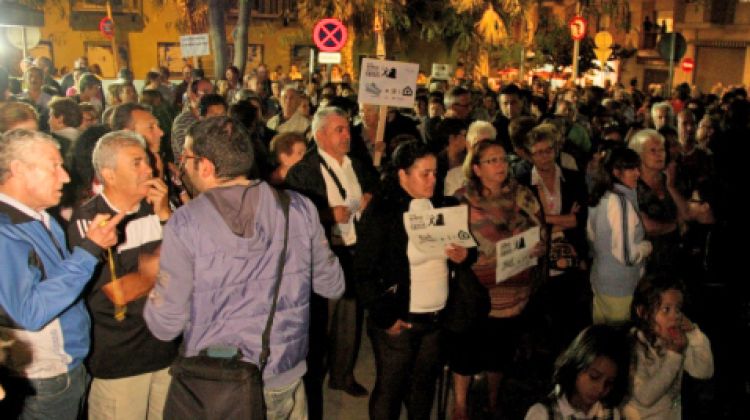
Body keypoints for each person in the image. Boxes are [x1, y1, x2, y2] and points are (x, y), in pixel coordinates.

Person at [144, 116, 345, 419]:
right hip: (283, 371)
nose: (182, 165)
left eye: (185, 157)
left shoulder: (185, 222)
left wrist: (152, 287)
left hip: (218, 381)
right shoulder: (299, 208)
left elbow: (165, 325)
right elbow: (333, 285)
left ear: (207, 166)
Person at [0, 128, 122, 419]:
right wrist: (89, 250)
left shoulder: (41, 217)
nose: (65, 177)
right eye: (54, 166)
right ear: (18, 170)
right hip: (43, 378)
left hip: (65, 367)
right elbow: (28, 312)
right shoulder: (6, 232)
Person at [354, 138, 470, 420]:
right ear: (402, 174)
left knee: (422, 388)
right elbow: (362, 271)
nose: (433, 179)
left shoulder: (443, 204)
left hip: (435, 318)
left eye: (435, 172)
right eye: (424, 173)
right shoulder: (383, 212)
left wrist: (464, 255)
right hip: (400, 319)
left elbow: (469, 247)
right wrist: (384, 316)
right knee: (390, 389)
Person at [67, 130, 174, 419]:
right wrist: (156, 271)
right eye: (136, 163)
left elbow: (192, 262)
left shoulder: (158, 208)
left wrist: (165, 214)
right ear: (109, 175)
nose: (149, 169)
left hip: (166, 352)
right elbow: (112, 293)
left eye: (147, 161)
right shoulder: (90, 220)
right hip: (122, 360)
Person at [285, 107, 377, 418]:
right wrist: (328, 216)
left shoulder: (357, 164)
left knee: (350, 318)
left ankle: (342, 374)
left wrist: (369, 198)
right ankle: (314, 376)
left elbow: (376, 186)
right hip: (324, 254)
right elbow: (293, 216)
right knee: (320, 321)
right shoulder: (304, 170)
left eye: (347, 129)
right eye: (339, 130)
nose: (346, 135)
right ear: (320, 134)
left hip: (354, 249)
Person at [451, 140, 546, 420]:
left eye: (502, 159)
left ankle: (493, 400)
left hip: (513, 290)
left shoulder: (523, 195)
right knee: (466, 352)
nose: (500, 165)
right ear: (476, 168)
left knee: (500, 352)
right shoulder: (462, 199)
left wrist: (539, 246)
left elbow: (540, 230)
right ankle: (460, 406)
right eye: (491, 161)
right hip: (476, 292)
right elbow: (455, 240)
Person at [623, 274, 714, 419]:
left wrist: (694, 334)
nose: (675, 317)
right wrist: (674, 356)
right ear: (643, 312)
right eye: (666, 310)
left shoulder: (674, 341)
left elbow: (704, 371)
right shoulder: (634, 345)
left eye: (677, 309)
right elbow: (645, 397)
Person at [587, 147, 651, 326]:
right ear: (616, 172)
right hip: (619, 287)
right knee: (619, 343)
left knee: (602, 340)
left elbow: (591, 238)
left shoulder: (601, 195)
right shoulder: (620, 202)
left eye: (638, 168)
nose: (638, 173)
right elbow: (627, 256)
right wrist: (646, 247)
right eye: (632, 169)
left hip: (601, 281)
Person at [524, 325, 631, 420]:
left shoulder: (611, 414)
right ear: (576, 366)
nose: (600, 389)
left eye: (609, 383)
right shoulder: (543, 414)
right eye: (594, 377)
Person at [628, 129, 685, 272]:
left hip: (677, 259)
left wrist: (671, 187)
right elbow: (646, 226)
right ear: (638, 155)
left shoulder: (672, 179)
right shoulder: (631, 187)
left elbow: (688, 214)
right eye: (653, 151)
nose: (660, 154)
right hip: (644, 264)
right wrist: (675, 226)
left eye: (662, 150)